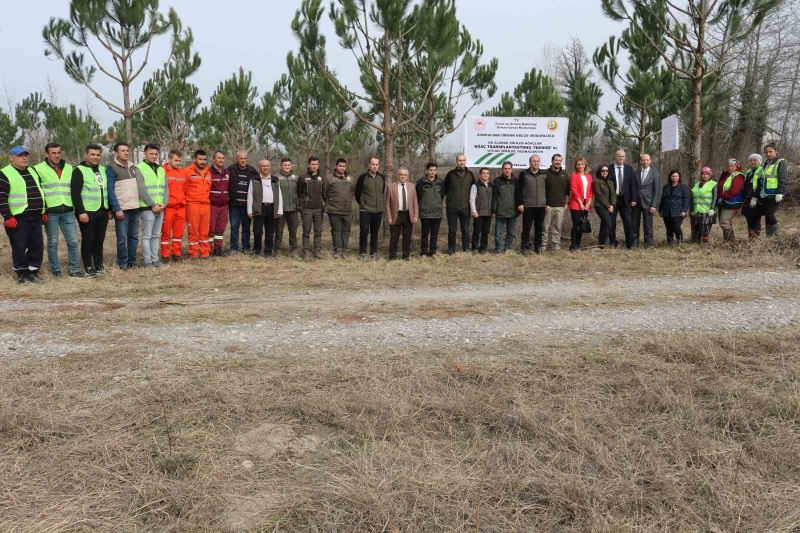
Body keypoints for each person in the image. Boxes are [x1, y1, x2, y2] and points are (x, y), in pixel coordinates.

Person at [33, 143, 84, 277]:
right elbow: (37, 191)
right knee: (53, 242)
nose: (56, 155)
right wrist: (42, 210)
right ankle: (56, 271)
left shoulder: (69, 168)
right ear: (46, 154)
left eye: (58, 152)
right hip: (51, 212)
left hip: (67, 210)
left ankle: (74, 270)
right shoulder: (38, 169)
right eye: (53, 153)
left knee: (73, 241)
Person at [0, 146, 45, 283]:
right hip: (18, 218)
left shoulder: (33, 171)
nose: (24, 158)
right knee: (19, 246)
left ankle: (32, 273)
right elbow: (1, 197)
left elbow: (40, 191)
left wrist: (44, 210)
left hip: (36, 217)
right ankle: (22, 275)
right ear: (11, 158)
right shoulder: (4, 173)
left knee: (37, 246)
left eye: (26, 155)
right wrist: (8, 217)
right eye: (20, 155)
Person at [71, 144, 110, 276]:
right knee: (88, 239)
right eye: (92, 154)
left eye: (98, 155)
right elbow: (75, 193)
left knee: (99, 239)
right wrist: (81, 211)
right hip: (87, 211)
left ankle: (99, 265)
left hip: (102, 210)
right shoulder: (79, 170)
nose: (95, 157)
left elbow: (106, 190)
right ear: (86, 155)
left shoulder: (103, 170)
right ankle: (88, 266)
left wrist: (109, 209)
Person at [107, 142, 147, 269]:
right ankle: (122, 263)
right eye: (122, 150)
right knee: (122, 239)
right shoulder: (112, 168)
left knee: (134, 237)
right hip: (122, 209)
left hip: (135, 208)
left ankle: (132, 262)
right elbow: (110, 189)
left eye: (127, 150)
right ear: (116, 153)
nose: (126, 153)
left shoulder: (133, 167)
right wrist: (116, 208)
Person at [137, 144, 166, 267]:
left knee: (156, 235)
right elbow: (141, 189)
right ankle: (148, 261)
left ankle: (156, 259)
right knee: (147, 236)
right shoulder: (139, 168)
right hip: (147, 208)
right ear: (145, 153)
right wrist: (152, 205)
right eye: (151, 154)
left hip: (160, 208)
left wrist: (165, 203)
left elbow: (166, 188)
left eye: (156, 154)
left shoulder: (160, 169)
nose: (154, 156)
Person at [750, 143, 788, 236]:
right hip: (766, 194)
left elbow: (783, 178)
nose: (768, 154)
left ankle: (777, 233)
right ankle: (770, 237)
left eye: (770, 151)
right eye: (766, 152)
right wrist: (755, 196)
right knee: (767, 216)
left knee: (769, 214)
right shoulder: (766, 163)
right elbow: (762, 179)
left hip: (775, 194)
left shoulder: (781, 162)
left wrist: (780, 192)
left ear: (775, 151)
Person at [248, 159, 283, 257]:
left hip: (271, 208)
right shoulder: (254, 179)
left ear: (270, 167)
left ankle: (268, 251)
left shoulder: (275, 179)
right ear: (259, 167)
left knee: (270, 231)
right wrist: (249, 211)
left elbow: (279, 195)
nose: (265, 168)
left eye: (267, 166)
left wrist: (279, 210)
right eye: (263, 166)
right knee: (258, 231)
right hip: (259, 208)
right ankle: (257, 250)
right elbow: (250, 195)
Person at [355, 156, 386, 259]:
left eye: (376, 164)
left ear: (378, 166)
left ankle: (373, 253)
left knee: (375, 232)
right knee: (364, 231)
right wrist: (363, 204)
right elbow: (357, 193)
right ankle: (363, 252)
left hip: (378, 210)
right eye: (372, 164)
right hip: (365, 209)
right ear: (369, 165)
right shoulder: (363, 177)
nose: (374, 166)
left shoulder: (382, 178)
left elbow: (382, 192)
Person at [516, 155, 547, 254]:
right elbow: (518, 190)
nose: (536, 163)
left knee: (539, 228)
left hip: (541, 206)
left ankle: (537, 248)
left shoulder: (544, 174)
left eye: (538, 161)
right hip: (528, 206)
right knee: (526, 228)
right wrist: (520, 203)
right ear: (530, 162)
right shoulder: (524, 174)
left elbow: (548, 190)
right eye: (534, 161)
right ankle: (524, 247)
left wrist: (547, 203)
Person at [323, 158, 354, 259]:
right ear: (336, 166)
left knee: (346, 230)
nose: (342, 168)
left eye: (344, 166)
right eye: (340, 166)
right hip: (334, 210)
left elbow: (352, 192)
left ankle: (345, 250)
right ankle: (337, 250)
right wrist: (330, 203)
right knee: (336, 231)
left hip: (347, 210)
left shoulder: (350, 178)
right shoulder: (329, 178)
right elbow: (324, 193)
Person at [444, 154, 475, 254]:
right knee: (452, 230)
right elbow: (445, 189)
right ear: (456, 161)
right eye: (460, 160)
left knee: (465, 230)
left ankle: (466, 249)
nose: (462, 162)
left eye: (463, 160)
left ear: (466, 161)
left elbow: (473, 190)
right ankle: (451, 249)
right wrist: (449, 201)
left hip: (466, 207)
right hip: (452, 207)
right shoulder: (450, 174)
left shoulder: (470, 174)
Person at [385, 166, 419, 260]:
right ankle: (392, 257)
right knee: (394, 237)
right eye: (401, 174)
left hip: (408, 215)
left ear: (407, 176)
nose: (403, 176)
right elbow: (387, 203)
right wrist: (389, 216)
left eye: (405, 175)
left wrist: (416, 215)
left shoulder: (412, 186)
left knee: (407, 237)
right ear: (397, 175)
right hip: (396, 215)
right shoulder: (391, 187)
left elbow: (415, 202)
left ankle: (405, 256)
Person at [227, 150, 257, 254]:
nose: (243, 160)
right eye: (241, 158)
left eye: (245, 158)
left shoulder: (252, 171)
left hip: (247, 205)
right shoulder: (230, 170)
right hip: (234, 205)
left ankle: (246, 247)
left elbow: (257, 187)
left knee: (246, 227)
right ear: (237, 158)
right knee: (234, 226)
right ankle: (234, 248)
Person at [184, 150, 212, 259]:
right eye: (200, 159)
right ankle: (194, 253)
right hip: (192, 204)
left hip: (205, 204)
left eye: (204, 159)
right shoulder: (187, 171)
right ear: (195, 159)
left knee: (204, 230)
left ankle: (205, 252)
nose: (202, 161)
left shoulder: (208, 172)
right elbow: (184, 188)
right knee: (193, 230)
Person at [160, 150, 187, 261]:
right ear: (169, 159)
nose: (178, 163)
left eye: (179, 161)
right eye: (175, 160)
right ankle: (165, 254)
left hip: (180, 207)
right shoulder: (162, 171)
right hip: (168, 208)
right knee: (166, 232)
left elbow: (185, 188)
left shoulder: (182, 172)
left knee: (178, 233)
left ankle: (176, 253)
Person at [297, 156, 325, 260]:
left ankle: (317, 251)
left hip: (318, 209)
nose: (314, 166)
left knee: (318, 231)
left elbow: (324, 194)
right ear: (309, 165)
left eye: (316, 164)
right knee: (306, 231)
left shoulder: (321, 178)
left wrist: (324, 206)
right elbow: (299, 193)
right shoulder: (303, 178)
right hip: (307, 209)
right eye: (312, 164)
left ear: (318, 165)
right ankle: (306, 251)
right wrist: (302, 207)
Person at [630, 153, 661, 248]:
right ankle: (634, 243)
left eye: (647, 160)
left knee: (648, 225)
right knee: (634, 224)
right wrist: (633, 199)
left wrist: (653, 205)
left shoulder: (655, 174)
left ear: (650, 161)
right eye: (643, 160)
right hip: (636, 203)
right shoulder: (635, 173)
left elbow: (656, 190)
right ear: (640, 161)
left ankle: (648, 244)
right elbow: (633, 188)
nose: (645, 162)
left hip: (648, 203)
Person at [415, 161, 445, 257]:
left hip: (437, 213)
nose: (432, 172)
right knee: (424, 234)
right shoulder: (421, 183)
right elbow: (418, 197)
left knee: (434, 235)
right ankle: (424, 252)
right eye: (430, 170)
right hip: (425, 213)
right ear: (427, 171)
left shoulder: (440, 183)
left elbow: (442, 196)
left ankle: (432, 252)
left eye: (434, 170)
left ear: (436, 171)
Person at [543, 154, 570, 252]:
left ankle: (555, 246)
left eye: (559, 160)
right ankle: (543, 246)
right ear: (552, 161)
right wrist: (544, 203)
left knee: (557, 227)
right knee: (545, 227)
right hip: (548, 206)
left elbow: (567, 191)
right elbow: (543, 190)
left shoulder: (565, 174)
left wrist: (566, 203)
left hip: (561, 206)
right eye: (556, 160)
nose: (558, 162)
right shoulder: (545, 173)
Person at [610, 149, 635, 249]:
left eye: (623, 156)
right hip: (613, 200)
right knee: (611, 223)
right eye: (619, 156)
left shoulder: (629, 169)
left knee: (628, 223)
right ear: (615, 157)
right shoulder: (609, 169)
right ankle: (613, 243)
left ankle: (630, 244)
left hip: (626, 200)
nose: (621, 158)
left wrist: (633, 199)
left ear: (625, 158)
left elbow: (632, 185)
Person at [275, 157, 300, 258]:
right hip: (281, 209)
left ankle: (293, 250)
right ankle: (277, 250)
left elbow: (300, 191)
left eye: (289, 165)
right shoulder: (276, 177)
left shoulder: (296, 177)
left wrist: (298, 204)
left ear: (291, 166)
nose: (287, 167)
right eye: (285, 165)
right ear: (281, 166)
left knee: (293, 231)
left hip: (293, 209)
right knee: (278, 230)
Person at [716, 158, 746, 243]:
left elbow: (735, 190)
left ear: (736, 166)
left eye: (732, 166)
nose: (729, 168)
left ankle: (730, 242)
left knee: (724, 221)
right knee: (725, 222)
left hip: (732, 202)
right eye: (728, 166)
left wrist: (724, 197)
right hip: (725, 202)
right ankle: (727, 241)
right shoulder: (726, 175)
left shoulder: (738, 176)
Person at [658, 170, 690, 244]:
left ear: (679, 177)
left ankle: (680, 241)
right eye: (673, 176)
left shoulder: (684, 187)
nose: (674, 177)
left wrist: (684, 210)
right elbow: (663, 199)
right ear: (670, 177)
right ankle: (670, 242)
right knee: (668, 228)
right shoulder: (666, 187)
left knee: (676, 226)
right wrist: (660, 209)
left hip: (678, 210)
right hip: (666, 210)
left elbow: (686, 199)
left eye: (676, 176)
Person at [492, 161, 518, 254]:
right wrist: (494, 210)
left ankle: (508, 248)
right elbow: (494, 197)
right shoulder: (497, 181)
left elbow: (519, 196)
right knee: (498, 233)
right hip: (500, 211)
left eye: (509, 168)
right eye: (505, 169)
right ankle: (499, 249)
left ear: (511, 169)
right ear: (502, 169)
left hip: (512, 211)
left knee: (511, 232)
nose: (507, 170)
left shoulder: (516, 181)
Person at [568, 158, 593, 251]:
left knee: (582, 225)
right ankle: (573, 245)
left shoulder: (589, 176)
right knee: (576, 224)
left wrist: (588, 203)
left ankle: (578, 244)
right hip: (576, 203)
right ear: (576, 166)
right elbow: (573, 190)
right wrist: (580, 203)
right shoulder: (574, 176)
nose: (580, 166)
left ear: (585, 165)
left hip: (586, 203)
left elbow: (590, 191)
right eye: (578, 164)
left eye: (582, 164)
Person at [209, 151, 230, 256]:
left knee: (220, 229)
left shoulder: (227, 172)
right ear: (214, 159)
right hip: (212, 205)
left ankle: (218, 249)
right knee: (211, 228)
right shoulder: (209, 172)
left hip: (224, 206)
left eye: (222, 158)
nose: (221, 160)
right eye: (218, 158)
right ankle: (208, 249)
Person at [690, 166, 717, 244]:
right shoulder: (696, 184)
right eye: (703, 174)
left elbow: (715, 197)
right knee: (696, 228)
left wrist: (712, 208)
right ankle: (697, 243)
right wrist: (691, 209)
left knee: (704, 229)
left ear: (710, 175)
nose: (704, 176)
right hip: (696, 210)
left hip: (707, 211)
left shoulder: (713, 184)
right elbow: (692, 198)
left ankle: (704, 244)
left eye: (707, 174)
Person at [470, 167, 493, 254]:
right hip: (478, 213)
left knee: (485, 232)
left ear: (489, 175)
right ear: (480, 174)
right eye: (484, 173)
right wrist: (474, 211)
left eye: (487, 173)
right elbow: (472, 199)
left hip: (488, 213)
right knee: (477, 231)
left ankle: (483, 248)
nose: (485, 175)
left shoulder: (491, 185)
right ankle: (474, 248)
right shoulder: (475, 185)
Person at [592, 164, 616, 247]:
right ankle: (602, 242)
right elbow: (598, 195)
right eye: (603, 171)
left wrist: (612, 205)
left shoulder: (610, 182)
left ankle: (601, 242)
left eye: (606, 171)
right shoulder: (596, 181)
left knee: (604, 224)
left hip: (610, 206)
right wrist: (608, 206)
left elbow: (613, 195)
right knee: (608, 223)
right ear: (600, 172)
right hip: (600, 206)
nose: (605, 172)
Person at [741, 154, 764, 240]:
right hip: (747, 198)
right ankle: (751, 238)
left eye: (755, 160)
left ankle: (755, 239)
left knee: (755, 219)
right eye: (751, 160)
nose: (752, 162)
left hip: (756, 199)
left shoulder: (761, 171)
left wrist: (755, 197)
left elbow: (760, 186)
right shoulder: (749, 172)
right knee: (749, 218)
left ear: (759, 162)